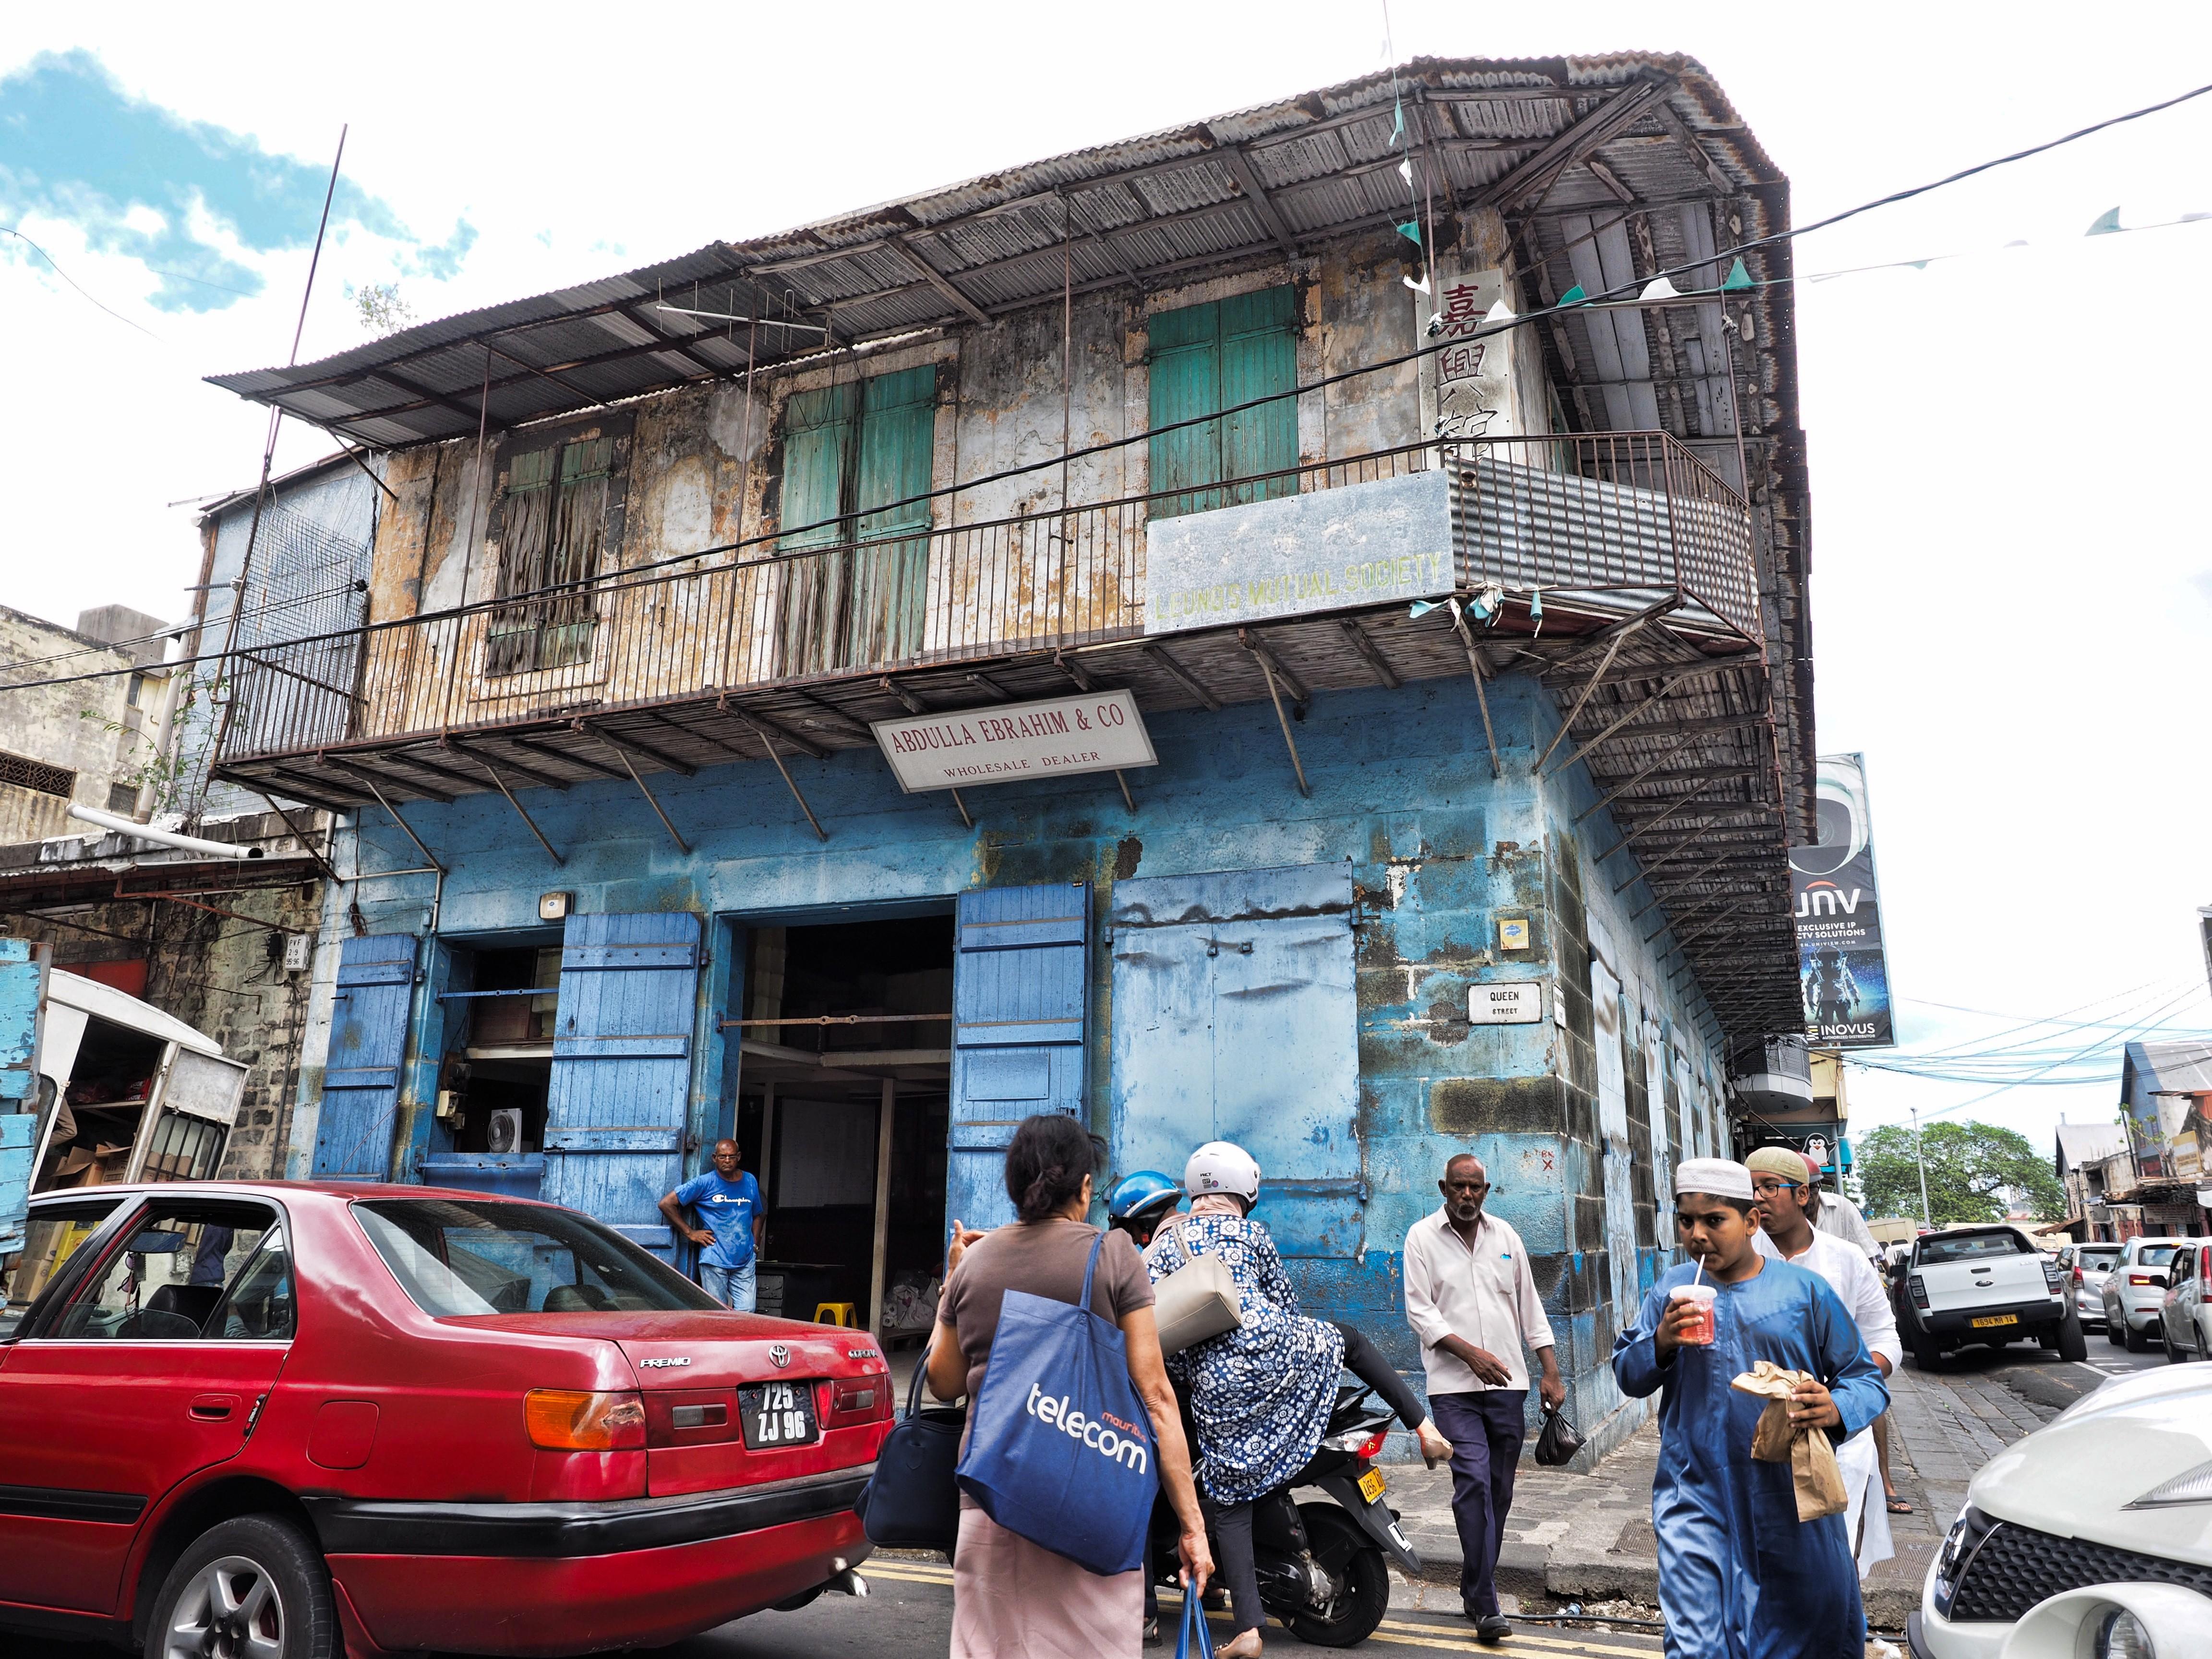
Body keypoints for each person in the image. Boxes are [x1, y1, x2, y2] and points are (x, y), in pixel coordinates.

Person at [1146, 1142, 1452, 1659]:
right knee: (1349, 1341)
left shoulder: (1157, 1251)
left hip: (1216, 1382)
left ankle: (1249, 1631)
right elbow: (1285, 1304)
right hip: (1278, 1347)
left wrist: (1198, 1370)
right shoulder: (1251, 1234)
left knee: (1231, 1500)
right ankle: (1426, 1429)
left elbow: (1160, 1334)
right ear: (1245, 1189)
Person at [929, 1115, 1211, 1659]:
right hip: (1092, 1494)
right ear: (1084, 1188)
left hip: (993, 1493)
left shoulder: (975, 1263)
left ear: (1014, 1186)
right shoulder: (1113, 1256)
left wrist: (953, 1278)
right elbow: (1156, 1397)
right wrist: (1192, 1526)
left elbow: (942, 1382)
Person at [1612, 1157, 1889, 1659]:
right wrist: (1661, 1341)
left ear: (1751, 1223)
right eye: (1686, 1221)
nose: (1698, 1235)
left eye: (1714, 1220)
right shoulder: (1672, 1290)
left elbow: (1864, 1379)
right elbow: (1629, 1374)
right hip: (1694, 1494)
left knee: (1805, 1632)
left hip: (1789, 1498)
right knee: (1697, 1642)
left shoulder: (1804, 1292)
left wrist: (1834, 1407)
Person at [1403, 1152, 1566, 1643]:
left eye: (1475, 1187)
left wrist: (1551, 1371)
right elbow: (1420, 1312)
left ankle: (1474, 1587)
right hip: (1453, 1389)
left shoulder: (1506, 1237)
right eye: (1459, 1186)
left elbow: (1530, 1307)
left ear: (1486, 1191)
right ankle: (1488, 1603)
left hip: (1508, 1386)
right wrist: (1470, 1354)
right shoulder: (1421, 1238)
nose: (1467, 1195)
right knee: (1472, 1482)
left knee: (1500, 1491)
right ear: (1444, 1188)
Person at [1748, 1148, 1902, 1578]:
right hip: (1757, 1433)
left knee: (1833, 1558)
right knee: (1766, 1558)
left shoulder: (1845, 1260)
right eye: (1751, 1189)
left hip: (1837, 1438)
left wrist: (1840, 1395)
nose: (1757, 1198)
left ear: (1802, 1195)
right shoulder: (1739, 1259)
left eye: (1769, 1187)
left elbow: (1885, 1338)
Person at [659, 1139, 765, 1311]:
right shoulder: (704, 1183)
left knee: (748, 1311)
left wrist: (755, 1245)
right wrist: (690, 1233)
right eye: (723, 1157)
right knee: (718, 1312)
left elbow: (757, 1215)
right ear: (715, 1158)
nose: (727, 1161)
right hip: (715, 1259)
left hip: (745, 1260)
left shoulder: (750, 1181)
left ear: (738, 1157)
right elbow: (666, 1203)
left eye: (732, 1156)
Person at [1107, 1169, 1183, 1250]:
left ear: (1145, 1222)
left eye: (1132, 1233)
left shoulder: (1158, 1255)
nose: (1135, 1242)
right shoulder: (1191, 1232)